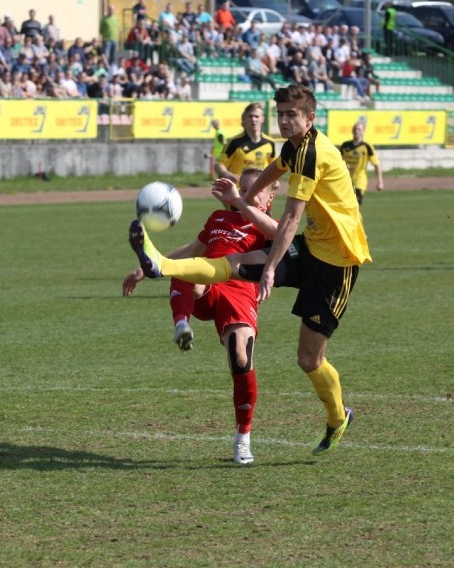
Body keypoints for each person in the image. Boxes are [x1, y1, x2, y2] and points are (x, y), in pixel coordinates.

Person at [129, 85, 371, 456]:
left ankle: (339, 417)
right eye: (282, 113)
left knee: (309, 359)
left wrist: (272, 267)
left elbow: (290, 218)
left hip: (337, 264)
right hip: (312, 247)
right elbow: (274, 169)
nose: (285, 120)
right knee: (239, 265)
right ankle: (161, 264)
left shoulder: (311, 154)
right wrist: (239, 200)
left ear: (310, 118)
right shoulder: (293, 147)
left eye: (293, 114)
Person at [123, 168, 278, 465]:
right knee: (186, 267)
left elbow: (279, 235)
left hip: (239, 292)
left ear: (271, 196)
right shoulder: (219, 219)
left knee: (240, 359)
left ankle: (242, 438)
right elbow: (193, 249)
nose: (247, 193)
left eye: (256, 188)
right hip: (208, 285)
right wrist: (145, 268)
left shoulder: (269, 225)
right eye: (244, 188)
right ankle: (181, 323)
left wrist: (244, 205)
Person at [215, 102, 276, 184]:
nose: (253, 119)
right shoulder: (234, 142)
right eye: (250, 116)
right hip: (240, 191)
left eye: (256, 116)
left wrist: (274, 181)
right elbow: (219, 165)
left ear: (262, 119)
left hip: (261, 191)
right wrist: (227, 175)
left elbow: (273, 167)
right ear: (244, 119)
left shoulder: (270, 143)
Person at [339, 121, 385, 204]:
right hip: (345, 180)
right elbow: (338, 161)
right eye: (355, 129)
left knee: (355, 204)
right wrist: (344, 166)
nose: (357, 131)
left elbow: (376, 164)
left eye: (359, 129)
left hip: (359, 180)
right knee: (345, 206)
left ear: (363, 131)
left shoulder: (367, 146)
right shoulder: (345, 145)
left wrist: (380, 181)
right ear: (352, 131)